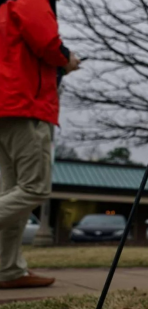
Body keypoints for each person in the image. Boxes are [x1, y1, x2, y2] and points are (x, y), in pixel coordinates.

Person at [0, 0, 80, 288]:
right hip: (24, 107)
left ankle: (8, 270)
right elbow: (48, 44)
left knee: (13, 193)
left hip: (6, 107)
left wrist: (60, 68)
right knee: (35, 188)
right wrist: (67, 58)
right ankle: (8, 269)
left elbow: (17, 56)